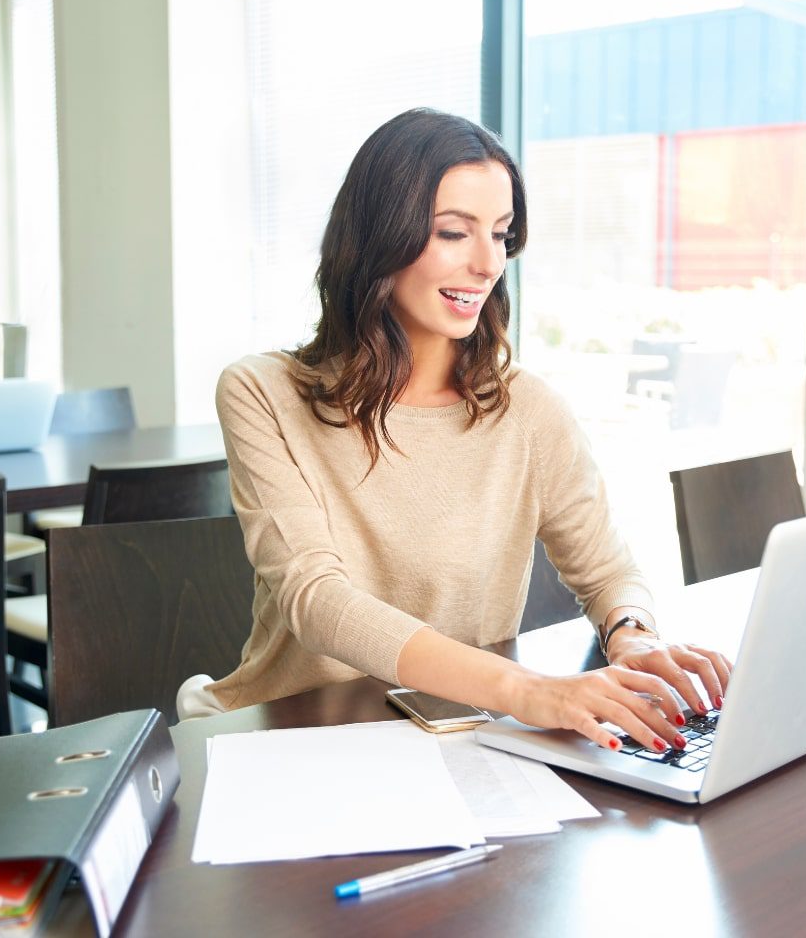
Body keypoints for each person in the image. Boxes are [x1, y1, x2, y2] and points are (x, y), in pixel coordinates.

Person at [179, 108, 731, 755]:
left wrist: (633, 635)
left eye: (500, 234)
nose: (486, 262)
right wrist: (530, 691)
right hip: (289, 738)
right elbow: (317, 600)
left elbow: (609, 571)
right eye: (452, 232)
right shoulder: (262, 391)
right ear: (379, 237)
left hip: (453, 739)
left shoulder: (528, 408)